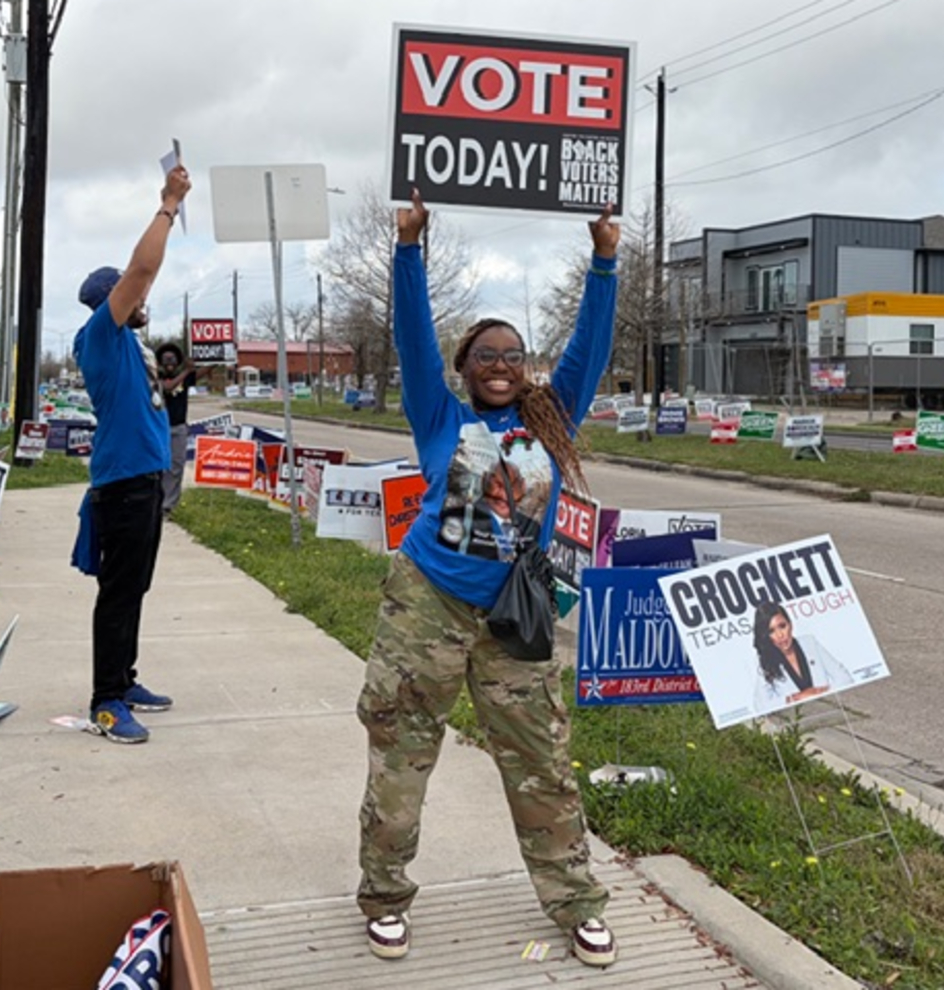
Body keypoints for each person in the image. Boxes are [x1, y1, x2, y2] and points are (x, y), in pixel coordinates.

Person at [357, 189, 620, 969]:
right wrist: (409, 247)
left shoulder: (553, 418)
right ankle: (384, 895)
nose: (501, 367)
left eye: (513, 357)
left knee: (540, 761)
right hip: (427, 608)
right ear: (465, 368)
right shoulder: (439, 416)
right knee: (401, 751)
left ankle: (576, 903)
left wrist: (605, 259)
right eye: (486, 357)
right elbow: (409, 334)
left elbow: (591, 348)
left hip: (515, 620)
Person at [70, 164, 191, 744]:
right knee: (118, 592)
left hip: (146, 478)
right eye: (129, 291)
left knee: (135, 586)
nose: (142, 294)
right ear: (109, 301)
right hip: (121, 483)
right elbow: (144, 267)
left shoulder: (132, 345)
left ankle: (125, 677)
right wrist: (168, 204)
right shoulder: (99, 334)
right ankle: (106, 701)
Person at [751, 600, 853, 714]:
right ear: (766, 636)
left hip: (829, 711)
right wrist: (796, 698)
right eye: (771, 631)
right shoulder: (765, 661)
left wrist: (818, 692)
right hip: (795, 721)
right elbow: (761, 706)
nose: (780, 635)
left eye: (782, 626)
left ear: (790, 624)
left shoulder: (809, 643)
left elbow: (845, 678)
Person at [155, 341, 196, 514]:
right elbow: (168, 388)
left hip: (179, 428)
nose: (169, 363)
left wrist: (221, 358)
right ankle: (156, 502)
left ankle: (168, 506)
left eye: (173, 360)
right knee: (159, 468)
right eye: (166, 359)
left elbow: (205, 370)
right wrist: (187, 370)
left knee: (176, 466)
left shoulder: (185, 379)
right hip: (159, 428)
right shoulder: (156, 377)